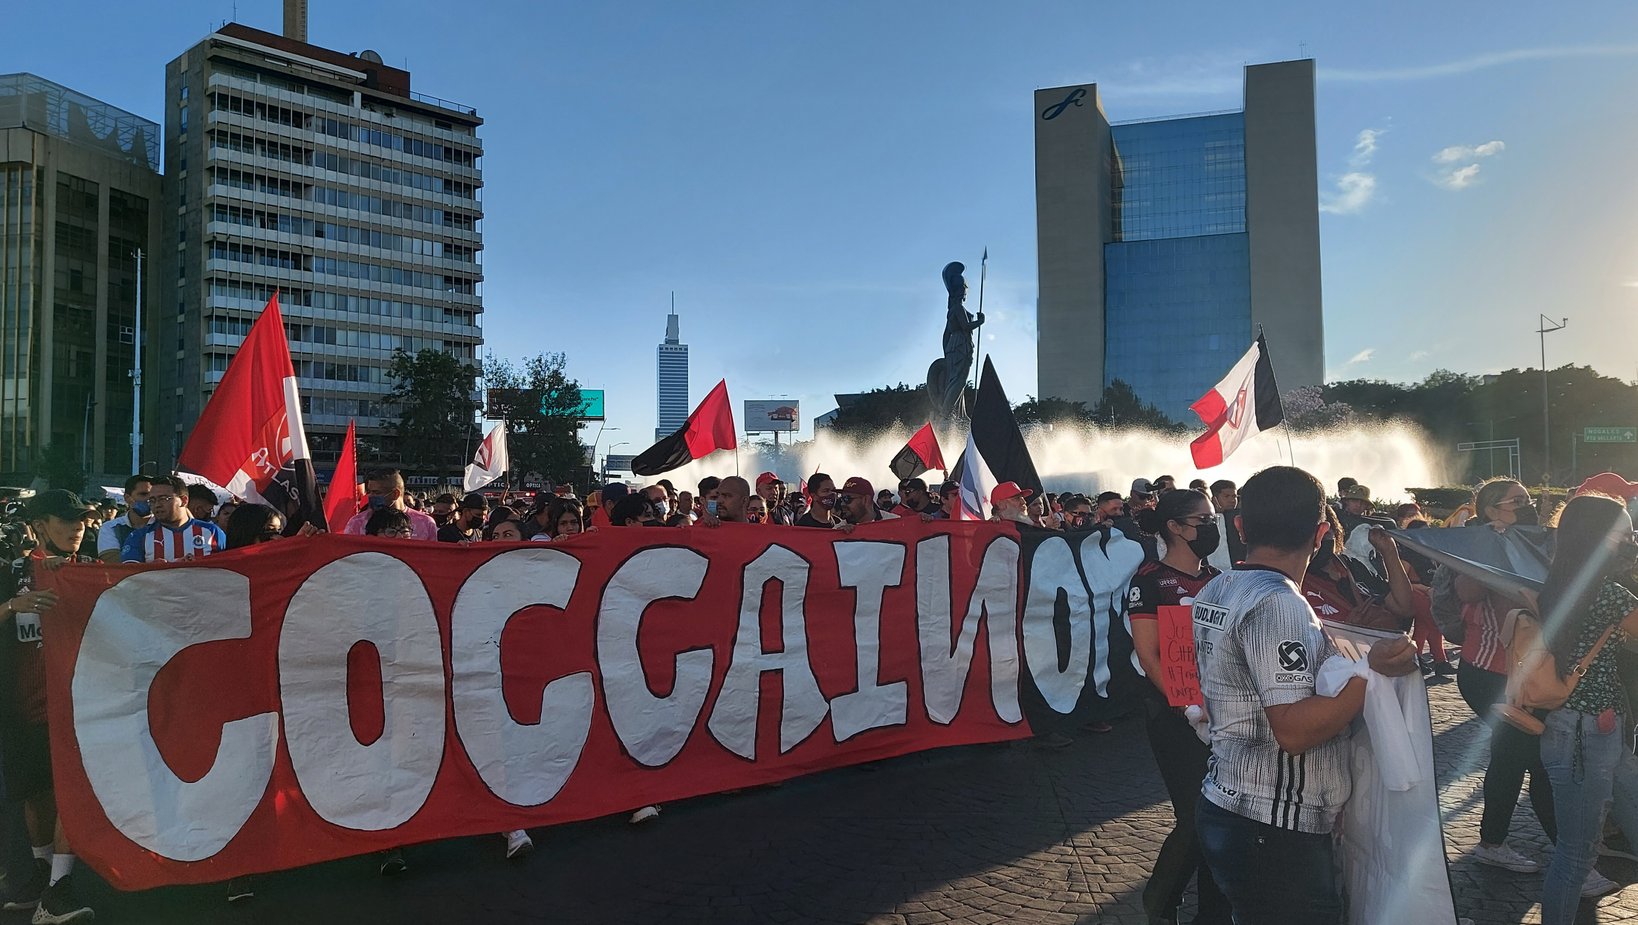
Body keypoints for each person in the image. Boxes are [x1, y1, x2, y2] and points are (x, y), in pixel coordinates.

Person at [1192, 466, 1418, 924]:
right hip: (1271, 827)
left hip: (1236, 807)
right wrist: (1367, 673)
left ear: (1238, 526)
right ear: (1321, 533)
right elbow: (1293, 730)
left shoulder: (1218, 585)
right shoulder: (1279, 602)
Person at [1434, 478, 1566, 880]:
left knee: (1513, 757)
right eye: (1516, 502)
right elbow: (1469, 591)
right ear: (1491, 510)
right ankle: (1571, 858)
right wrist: (1494, 547)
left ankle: (1495, 844)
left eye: (1527, 500)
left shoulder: (1532, 540)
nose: (1526, 507)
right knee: (1531, 759)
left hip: (1522, 672)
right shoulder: (1481, 543)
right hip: (1486, 671)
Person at [1126, 488, 1229, 925]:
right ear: (1174, 526)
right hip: (1172, 714)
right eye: (1201, 521)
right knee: (1194, 815)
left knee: (1219, 815)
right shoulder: (1148, 580)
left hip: (1221, 714)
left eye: (1212, 519)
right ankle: (1159, 903)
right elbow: (1148, 655)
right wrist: (1186, 704)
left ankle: (1215, 913)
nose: (1211, 527)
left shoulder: (1219, 578)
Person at [1536, 494, 1638, 920]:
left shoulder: (1558, 582)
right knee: (1576, 856)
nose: (1630, 538)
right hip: (1584, 735)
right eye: (1625, 532)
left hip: (1586, 728)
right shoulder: (1610, 595)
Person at [0, 491, 100, 922]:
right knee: (37, 795)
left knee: (71, 795)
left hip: (79, 707)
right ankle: (43, 874)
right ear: (40, 524)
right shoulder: (12, 572)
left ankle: (59, 890)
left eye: (82, 521)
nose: (77, 527)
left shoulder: (94, 572)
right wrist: (11, 606)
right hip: (23, 709)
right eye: (67, 519)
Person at [1300, 507, 1416, 632]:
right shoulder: (1294, 580)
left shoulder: (1350, 566)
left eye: (1326, 535)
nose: (1319, 542)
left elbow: (1404, 607)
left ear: (1336, 532)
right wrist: (1348, 630)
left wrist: (1389, 552)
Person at [120, 476, 227, 563]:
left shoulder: (212, 532)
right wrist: (151, 570)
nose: (157, 505)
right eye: (152, 500)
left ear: (184, 500)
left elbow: (226, 573)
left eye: (163, 499)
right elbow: (129, 575)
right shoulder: (140, 536)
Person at [344, 470, 438, 541]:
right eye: (369, 492)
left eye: (376, 492)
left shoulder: (426, 523)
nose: (371, 496)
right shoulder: (357, 522)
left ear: (395, 494)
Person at [96, 473, 153, 563]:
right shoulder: (111, 528)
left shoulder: (163, 525)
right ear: (127, 498)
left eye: (152, 495)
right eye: (143, 494)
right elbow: (113, 562)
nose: (149, 499)